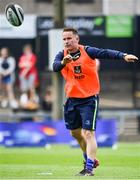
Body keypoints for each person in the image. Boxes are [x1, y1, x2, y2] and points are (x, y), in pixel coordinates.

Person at [53, 27, 138, 176]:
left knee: (88, 133)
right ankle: (90, 158)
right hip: (72, 100)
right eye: (64, 39)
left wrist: (123, 55)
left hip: (89, 100)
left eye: (69, 38)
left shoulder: (88, 51)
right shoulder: (62, 55)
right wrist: (63, 62)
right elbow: (54, 67)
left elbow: (105, 53)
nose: (66, 41)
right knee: (75, 134)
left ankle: (89, 168)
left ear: (76, 39)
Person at [18, 44, 39, 109]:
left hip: (31, 74)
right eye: (25, 50)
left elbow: (31, 65)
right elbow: (20, 65)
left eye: (28, 50)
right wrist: (26, 64)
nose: (26, 51)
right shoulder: (22, 57)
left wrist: (25, 70)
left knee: (31, 88)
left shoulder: (33, 56)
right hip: (23, 76)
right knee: (24, 89)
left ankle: (33, 101)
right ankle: (25, 103)